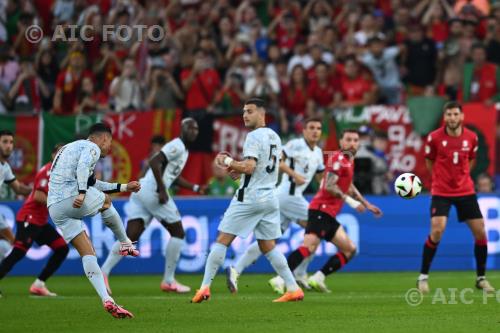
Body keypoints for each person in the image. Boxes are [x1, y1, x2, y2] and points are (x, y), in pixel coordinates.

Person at [191, 98, 304, 304]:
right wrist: (240, 170)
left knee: (222, 240)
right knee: (268, 246)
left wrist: (227, 161)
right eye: (244, 111)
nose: (245, 115)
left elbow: (251, 167)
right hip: (270, 197)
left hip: (250, 198)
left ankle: (204, 287)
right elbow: (264, 166)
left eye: (250, 111)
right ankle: (293, 288)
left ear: (262, 113)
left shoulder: (253, 136)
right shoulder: (275, 136)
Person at [269, 129, 382, 294]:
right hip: (320, 209)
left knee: (350, 249)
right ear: (341, 142)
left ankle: (318, 278)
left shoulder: (348, 160)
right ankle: (280, 279)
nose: (352, 143)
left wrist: (366, 203)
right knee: (309, 246)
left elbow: (348, 185)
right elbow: (329, 185)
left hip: (329, 214)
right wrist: (351, 202)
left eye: (355, 140)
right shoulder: (338, 160)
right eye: (348, 139)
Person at [47, 123, 141, 318]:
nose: (109, 147)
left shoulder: (71, 147)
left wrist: (124, 187)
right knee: (106, 202)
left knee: (87, 252)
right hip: (71, 197)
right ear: (103, 138)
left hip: (55, 207)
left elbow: (93, 183)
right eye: (110, 143)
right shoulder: (92, 147)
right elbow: (83, 171)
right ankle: (125, 243)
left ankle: (107, 300)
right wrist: (82, 193)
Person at [102, 118, 205, 294]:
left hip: (143, 190)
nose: (194, 131)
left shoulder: (184, 150)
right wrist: (162, 189)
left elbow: (172, 176)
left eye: (196, 128)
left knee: (130, 236)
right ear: (182, 129)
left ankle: (102, 272)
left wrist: (195, 187)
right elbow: (154, 161)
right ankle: (168, 280)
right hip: (153, 191)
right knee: (178, 232)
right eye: (190, 127)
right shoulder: (177, 145)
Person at [226, 117, 325, 292]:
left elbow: (320, 177)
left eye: (318, 128)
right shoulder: (295, 144)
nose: (315, 131)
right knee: (318, 230)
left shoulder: (318, 152)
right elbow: (277, 161)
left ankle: (236, 269)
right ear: (304, 130)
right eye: (311, 127)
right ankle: (300, 273)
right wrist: (294, 175)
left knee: (268, 241)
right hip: (288, 196)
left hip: (284, 200)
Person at [418, 101, 495, 293]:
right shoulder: (434, 138)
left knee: (480, 232)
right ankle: (423, 277)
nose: (452, 118)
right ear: (444, 117)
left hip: (465, 191)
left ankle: (481, 278)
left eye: (455, 114)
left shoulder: (471, 137)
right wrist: (440, 179)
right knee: (437, 230)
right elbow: (429, 162)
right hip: (441, 191)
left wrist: (461, 177)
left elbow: (471, 159)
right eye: (449, 115)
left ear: (462, 117)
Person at [0, 144, 69, 297]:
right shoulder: (48, 171)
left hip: (40, 221)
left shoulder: (65, 174)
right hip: (29, 217)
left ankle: (39, 285)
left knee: (62, 248)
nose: (63, 157)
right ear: (53, 155)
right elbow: (38, 196)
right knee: (18, 252)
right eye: (59, 153)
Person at [0, 130, 32, 275]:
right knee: (13, 243)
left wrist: (37, 189)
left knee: (7, 245)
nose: (9, 146)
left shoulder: (5, 167)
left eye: (11, 142)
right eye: (5, 142)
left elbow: (18, 188)